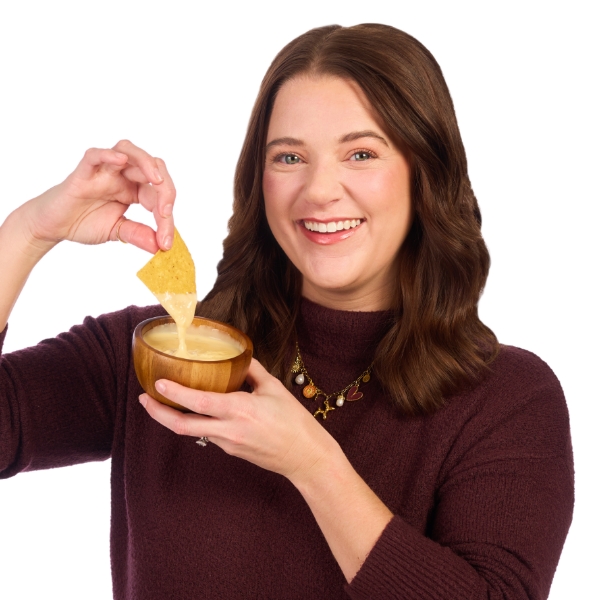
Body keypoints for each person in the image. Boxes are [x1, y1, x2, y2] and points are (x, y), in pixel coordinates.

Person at [0, 23, 573, 600]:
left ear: (426, 171)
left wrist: (314, 467)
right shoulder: (161, 352)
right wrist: (26, 233)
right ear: (260, 181)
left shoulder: (508, 399)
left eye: (361, 153)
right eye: (290, 156)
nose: (320, 190)